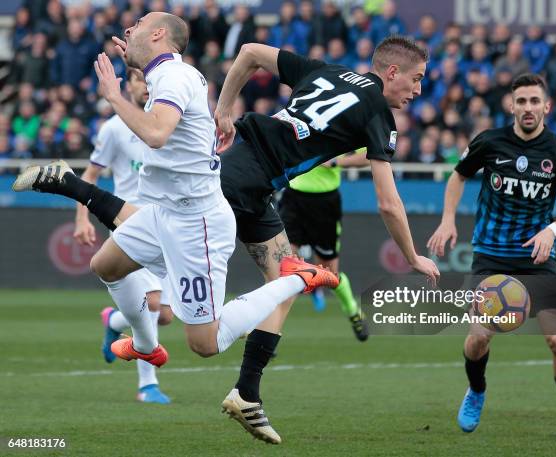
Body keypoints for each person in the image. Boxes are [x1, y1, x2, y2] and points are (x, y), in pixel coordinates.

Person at [12, 11, 338, 422]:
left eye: (138, 26)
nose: (127, 31)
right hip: (165, 212)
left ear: (160, 34)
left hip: (196, 222)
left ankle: (298, 276)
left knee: (206, 343)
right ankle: (146, 346)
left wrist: (113, 95)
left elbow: (156, 133)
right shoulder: (166, 77)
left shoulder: (174, 77)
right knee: (106, 265)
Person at [212, 36, 439, 443]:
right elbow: (389, 204)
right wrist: (413, 257)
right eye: (416, 79)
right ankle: (79, 194)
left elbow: (248, 52)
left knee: (287, 281)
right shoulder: (379, 117)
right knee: (155, 262)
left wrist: (225, 108)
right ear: (392, 73)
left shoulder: (328, 71)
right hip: (240, 178)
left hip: (251, 179)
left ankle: (246, 392)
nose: (418, 90)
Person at [427, 73, 556, 439]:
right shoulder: (490, 142)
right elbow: (458, 177)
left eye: (534, 101)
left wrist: (551, 230)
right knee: (478, 337)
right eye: (521, 101)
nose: (527, 108)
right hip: (490, 256)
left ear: (546, 107)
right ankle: (476, 391)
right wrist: (447, 221)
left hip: (537, 260)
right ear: (511, 105)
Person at [73, 67, 173, 404]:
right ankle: (148, 385)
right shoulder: (115, 128)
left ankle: (114, 319)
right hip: (128, 222)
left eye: (149, 80)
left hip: (166, 223)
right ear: (127, 85)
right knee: (153, 304)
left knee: (167, 314)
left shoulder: (168, 121)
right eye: (137, 80)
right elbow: (91, 174)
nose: (144, 86)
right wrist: (82, 218)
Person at [279, 151, 370, 340]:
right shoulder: (297, 120)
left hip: (325, 203)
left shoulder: (345, 124)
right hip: (293, 199)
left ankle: (353, 311)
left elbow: (369, 155)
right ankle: (270, 333)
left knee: (329, 274)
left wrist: (337, 161)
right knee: (284, 270)